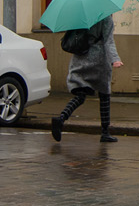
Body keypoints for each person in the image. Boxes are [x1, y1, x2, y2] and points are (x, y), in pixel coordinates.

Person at [50, 15, 123, 143]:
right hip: (99, 60)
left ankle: (61, 118)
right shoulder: (105, 17)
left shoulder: (80, 16)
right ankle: (105, 132)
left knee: (80, 95)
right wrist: (115, 59)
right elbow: (108, 41)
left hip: (80, 59)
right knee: (104, 95)